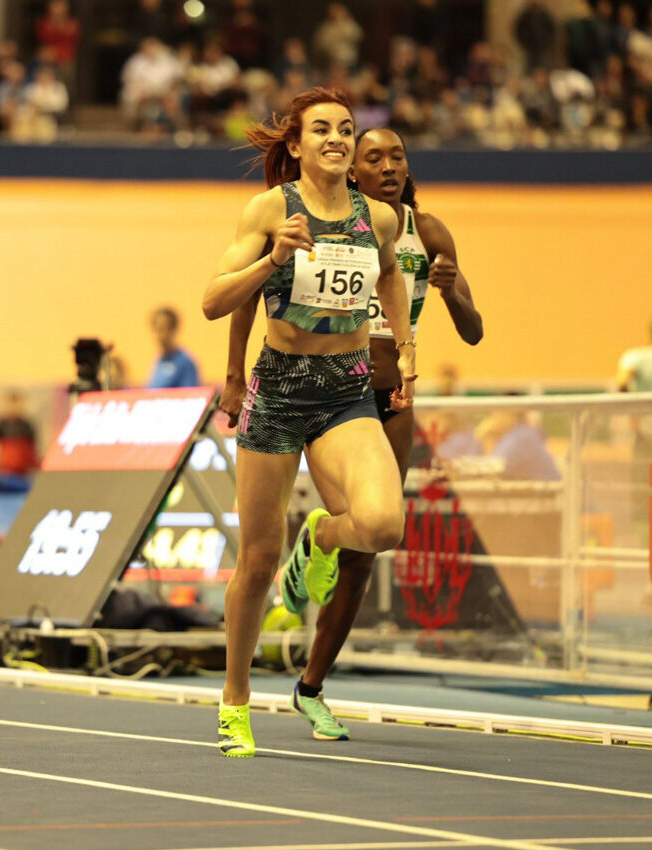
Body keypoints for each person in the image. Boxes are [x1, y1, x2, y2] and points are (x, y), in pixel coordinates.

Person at [221, 125, 482, 743]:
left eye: (398, 156)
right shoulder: (298, 213)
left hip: (382, 395)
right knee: (261, 554)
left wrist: (446, 301)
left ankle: (312, 684)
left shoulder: (424, 231)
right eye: (375, 157)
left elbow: (472, 329)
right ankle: (241, 692)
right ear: (349, 171)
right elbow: (238, 299)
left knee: (374, 537)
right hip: (298, 381)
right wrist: (234, 376)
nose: (389, 166)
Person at [202, 88, 415, 757]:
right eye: (321, 129)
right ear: (295, 145)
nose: (337, 138)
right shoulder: (270, 209)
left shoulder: (377, 219)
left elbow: (391, 280)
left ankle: (323, 537)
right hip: (280, 393)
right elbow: (213, 300)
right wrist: (272, 259)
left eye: (347, 130)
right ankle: (236, 700)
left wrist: (404, 348)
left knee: (382, 525)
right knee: (259, 562)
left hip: (346, 393)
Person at [147, 307, 201, 388]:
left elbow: (189, 395)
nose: (159, 336)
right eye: (156, 329)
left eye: (163, 329)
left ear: (174, 329)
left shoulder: (185, 362)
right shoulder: (158, 360)